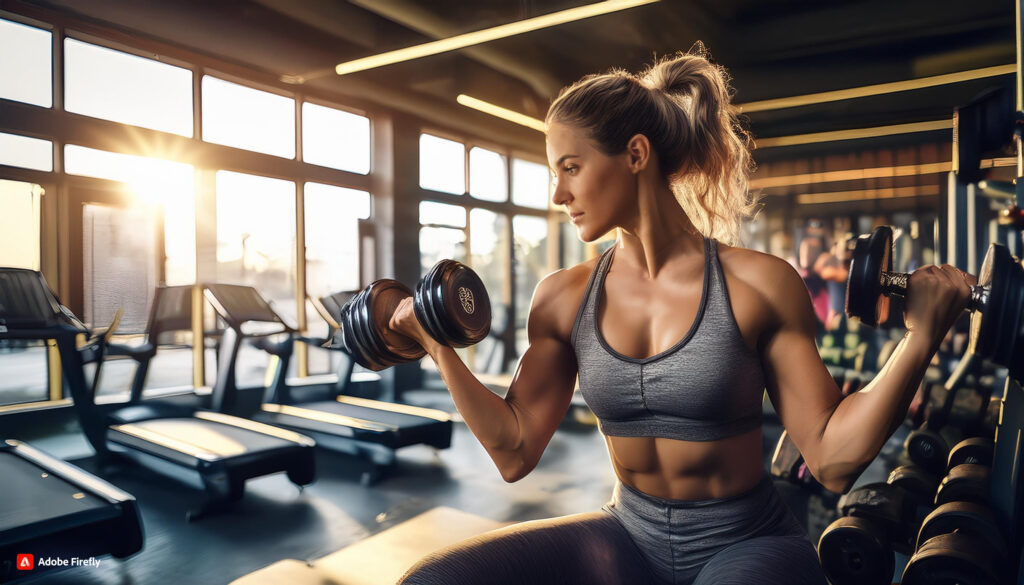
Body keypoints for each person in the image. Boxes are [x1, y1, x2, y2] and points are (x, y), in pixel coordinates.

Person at [388, 47, 973, 585]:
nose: (556, 194)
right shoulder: (562, 298)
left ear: (635, 154)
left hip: (747, 542)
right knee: (433, 580)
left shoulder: (756, 285)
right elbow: (514, 452)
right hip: (627, 535)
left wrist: (919, 338)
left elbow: (830, 458)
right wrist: (439, 348)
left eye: (570, 167)